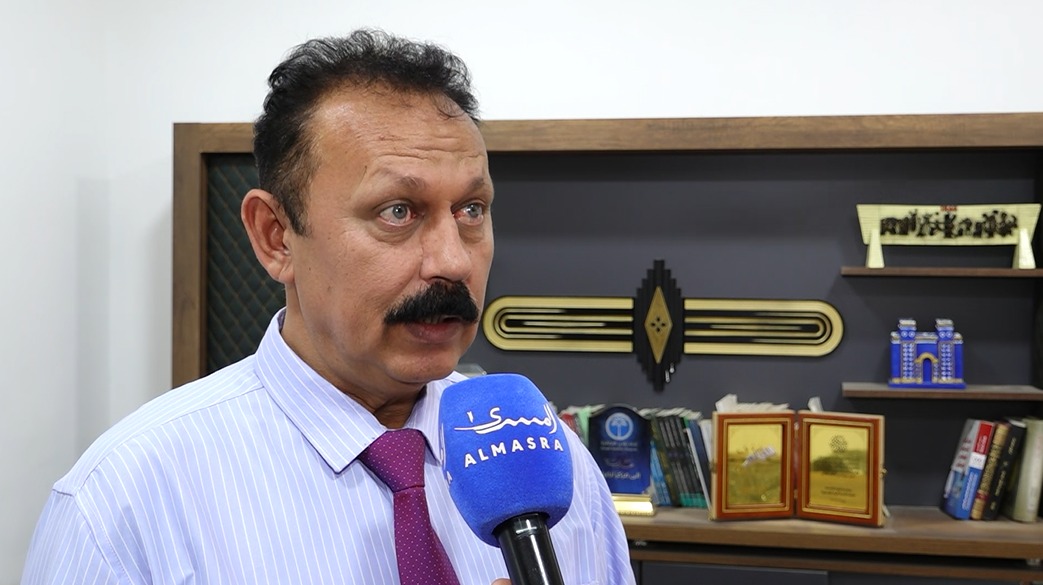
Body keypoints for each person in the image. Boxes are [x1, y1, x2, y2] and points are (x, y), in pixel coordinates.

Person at [22, 29, 636, 585]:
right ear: (275, 237)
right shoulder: (124, 502)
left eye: (471, 210)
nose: (453, 260)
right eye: (398, 211)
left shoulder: (550, 464)